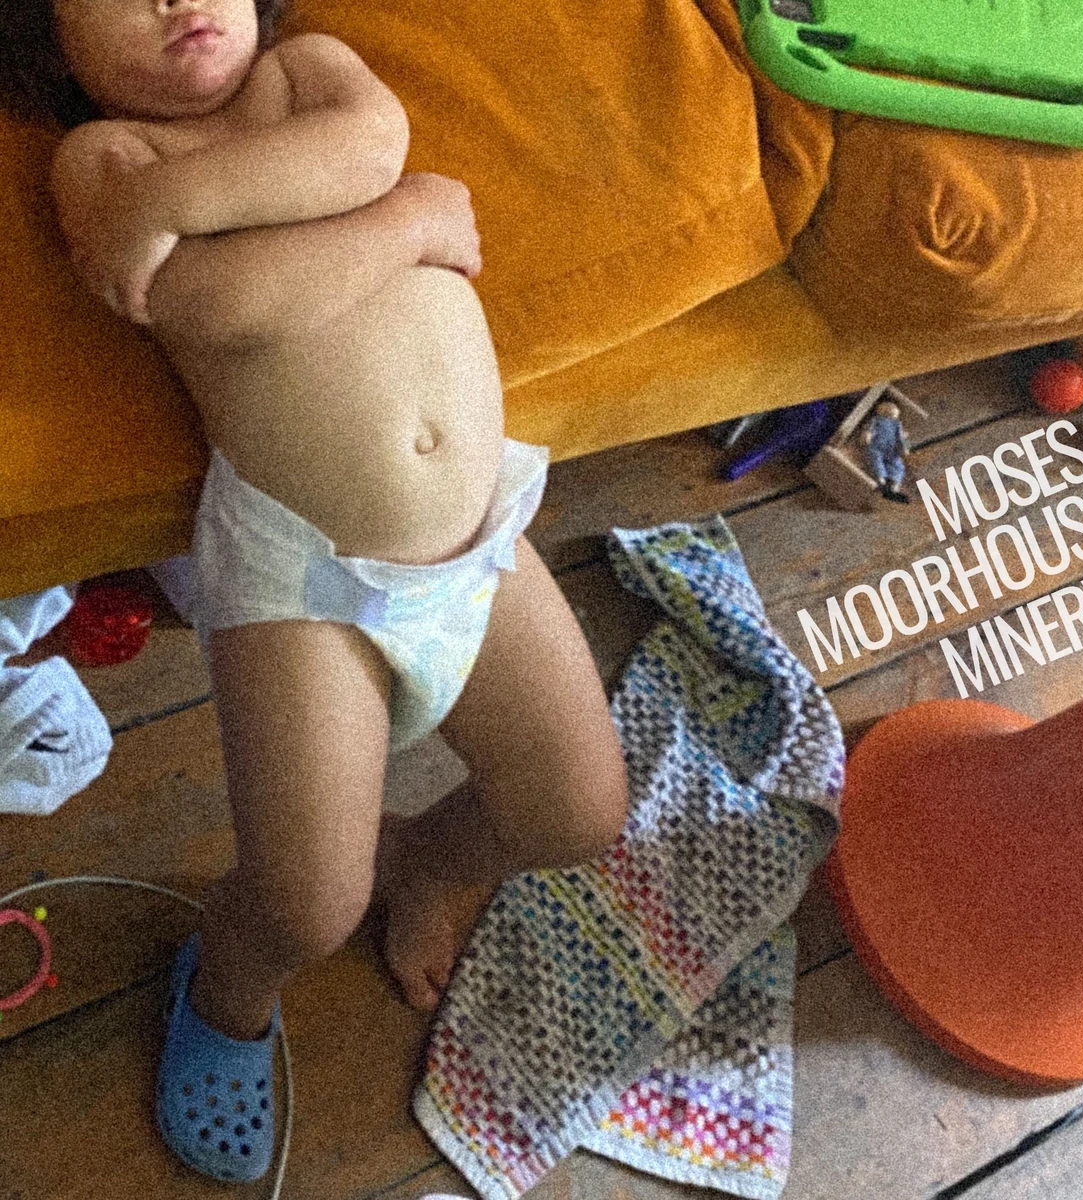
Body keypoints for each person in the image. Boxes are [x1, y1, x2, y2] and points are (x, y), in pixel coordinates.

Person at [18, 0, 629, 1182]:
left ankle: (430, 861)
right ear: (50, 41)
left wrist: (201, 209)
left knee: (578, 813)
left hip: (476, 544)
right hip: (305, 575)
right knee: (304, 901)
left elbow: (369, 145)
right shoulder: (108, 159)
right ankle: (229, 995)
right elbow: (225, 307)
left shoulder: (303, 74)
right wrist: (412, 224)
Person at [861, 399, 911, 503]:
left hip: (892, 450)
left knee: (897, 466)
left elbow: (900, 437)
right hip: (877, 448)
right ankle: (881, 480)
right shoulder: (876, 421)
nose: (895, 414)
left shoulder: (897, 424)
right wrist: (867, 435)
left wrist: (904, 446)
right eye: (893, 412)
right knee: (876, 460)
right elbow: (869, 430)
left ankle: (893, 486)